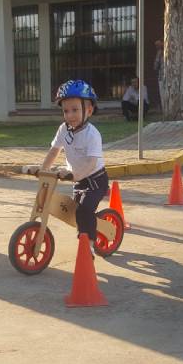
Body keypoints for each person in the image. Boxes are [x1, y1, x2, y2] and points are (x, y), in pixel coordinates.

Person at [39, 79, 109, 244]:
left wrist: (76, 174)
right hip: (77, 179)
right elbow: (54, 150)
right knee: (75, 212)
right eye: (66, 110)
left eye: (75, 110)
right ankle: (85, 231)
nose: (70, 115)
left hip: (95, 181)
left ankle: (89, 243)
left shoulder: (92, 135)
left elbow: (92, 162)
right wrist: (43, 169)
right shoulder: (63, 129)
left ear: (89, 111)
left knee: (84, 210)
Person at [153, 39, 164, 108]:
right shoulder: (159, 53)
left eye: (158, 44)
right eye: (156, 45)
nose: (157, 46)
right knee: (162, 94)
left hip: (170, 77)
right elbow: (155, 67)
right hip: (161, 77)